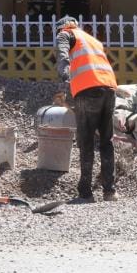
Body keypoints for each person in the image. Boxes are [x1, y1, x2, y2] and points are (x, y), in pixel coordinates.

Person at [54, 17, 118, 201]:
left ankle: (86, 192)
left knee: (86, 141)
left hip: (88, 90)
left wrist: (64, 76)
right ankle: (110, 191)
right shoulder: (91, 39)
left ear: (61, 28)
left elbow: (62, 54)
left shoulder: (65, 34)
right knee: (106, 141)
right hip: (109, 88)